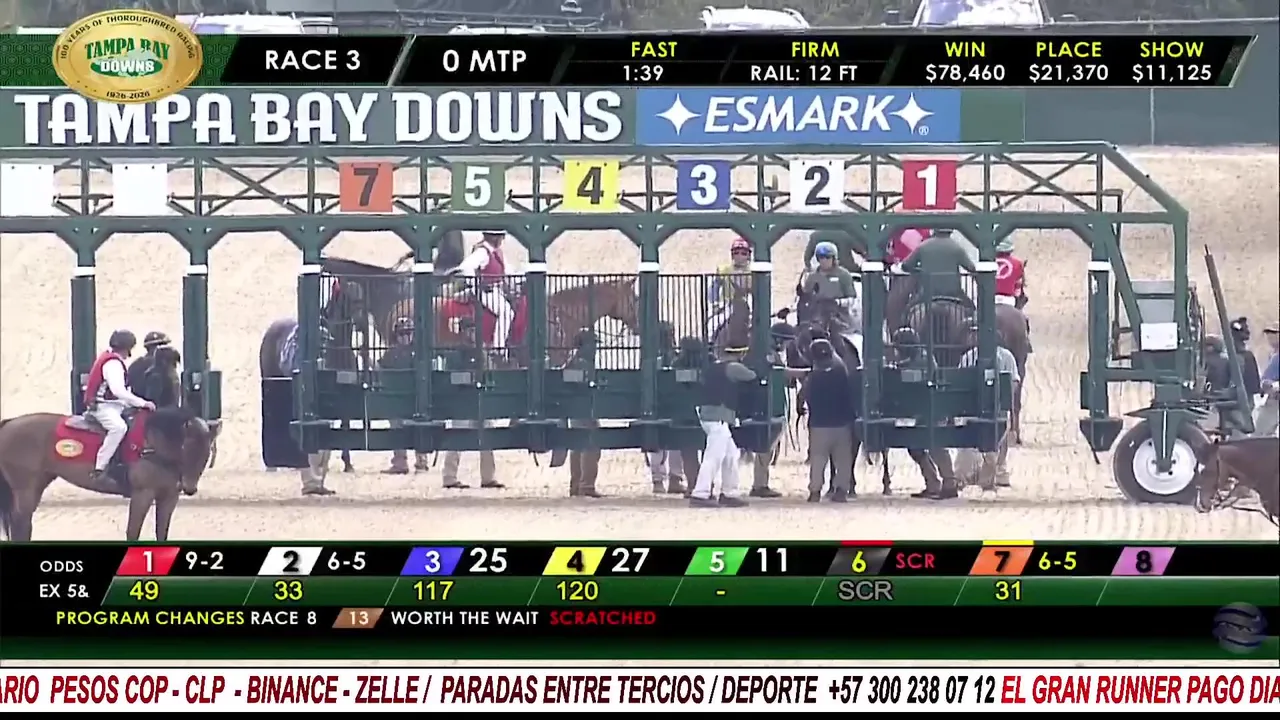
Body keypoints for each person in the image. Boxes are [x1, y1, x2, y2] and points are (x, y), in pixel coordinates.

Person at [84, 330, 155, 489]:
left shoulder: (110, 358)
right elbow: (118, 391)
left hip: (114, 405)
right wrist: (143, 403)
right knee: (118, 428)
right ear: (126, 347)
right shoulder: (113, 364)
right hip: (104, 406)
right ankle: (100, 468)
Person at [954, 323, 1021, 489]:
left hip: (975, 408)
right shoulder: (1007, 356)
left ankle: (965, 474)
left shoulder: (970, 356)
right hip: (993, 409)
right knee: (998, 434)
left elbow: (960, 382)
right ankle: (997, 471)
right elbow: (1014, 383)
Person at [689, 345, 756, 508]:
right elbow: (752, 375)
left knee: (730, 455)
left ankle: (729, 493)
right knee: (713, 457)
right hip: (718, 417)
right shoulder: (733, 367)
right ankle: (700, 494)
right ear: (740, 353)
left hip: (710, 415)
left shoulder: (713, 367)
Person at [798, 337, 855, 503]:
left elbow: (804, 396)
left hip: (819, 425)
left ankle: (815, 491)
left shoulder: (813, 377)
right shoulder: (842, 373)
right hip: (842, 425)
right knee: (843, 460)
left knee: (818, 459)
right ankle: (841, 491)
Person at [381, 317, 431, 475]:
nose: (405, 337)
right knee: (397, 428)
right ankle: (400, 463)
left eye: (408, 333)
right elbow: (382, 371)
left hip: (415, 397)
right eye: (401, 334)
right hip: (397, 398)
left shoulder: (419, 352)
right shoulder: (391, 353)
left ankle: (421, 462)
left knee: (419, 427)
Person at [453, 230, 514, 355]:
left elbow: (508, 271)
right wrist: (476, 284)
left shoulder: (497, 253)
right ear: (494, 237)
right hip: (485, 291)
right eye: (501, 237)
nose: (502, 240)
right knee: (506, 312)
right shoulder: (482, 252)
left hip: (496, 290)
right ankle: (498, 348)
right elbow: (465, 267)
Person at [898, 228, 977, 312]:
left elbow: (905, 266)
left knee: (907, 311)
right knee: (971, 309)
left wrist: (918, 270)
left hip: (925, 294)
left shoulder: (923, 246)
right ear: (950, 231)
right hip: (953, 294)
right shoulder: (957, 248)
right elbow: (971, 268)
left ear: (934, 231)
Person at [800, 241, 860, 338]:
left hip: (839, 319)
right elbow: (804, 298)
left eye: (827, 257)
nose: (824, 260)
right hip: (816, 318)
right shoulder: (812, 277)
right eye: (821, 257)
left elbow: (853, 300)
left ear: (834, 258)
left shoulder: (843, 275)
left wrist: (837, 302)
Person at [706, 237, 753, 342]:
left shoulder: (753, 271)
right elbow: (714, 287)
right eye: (736, 253)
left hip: (748, 303)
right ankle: (710, 344)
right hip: (726, 304)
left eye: (743, 253)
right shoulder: (724, 269)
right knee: (713, 324)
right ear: (732, 255)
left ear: (748, 256)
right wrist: (714, 303)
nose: (739, 256)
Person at [1256, 321, 1280, 437]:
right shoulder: (1273, 354)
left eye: (1274, 333)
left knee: (1261, 435)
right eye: (1268, 333)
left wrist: (1274, 385)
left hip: (1275, 398)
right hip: (1271, 397)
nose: (1269, 336)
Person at [993, 237, 1026, 307]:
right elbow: (1018, 287)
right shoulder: (1017, 263)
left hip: (989, 299)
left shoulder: (987, 262)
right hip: (1009, 300)